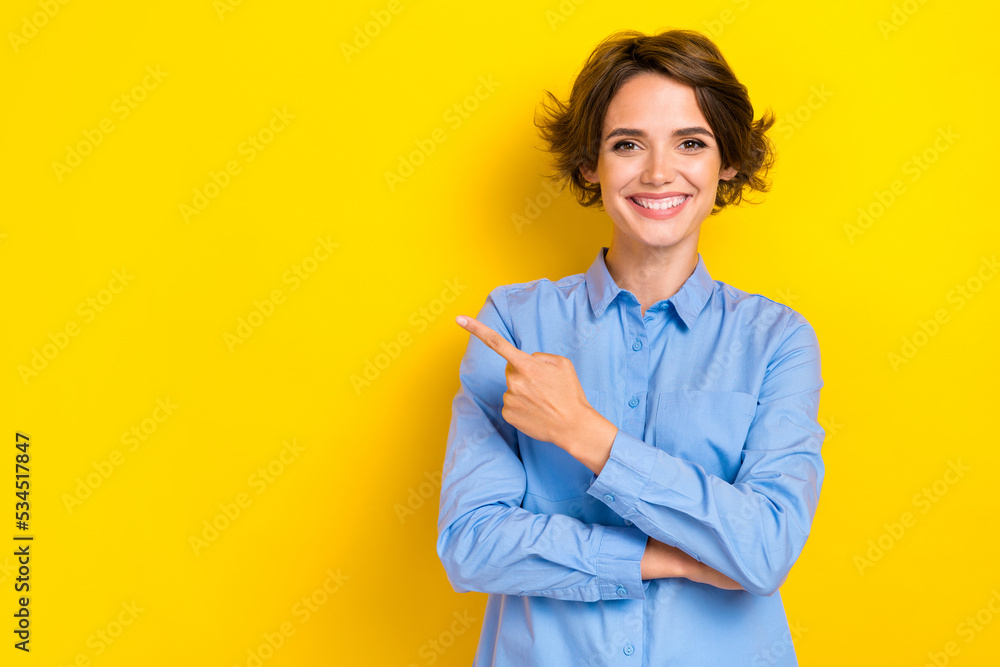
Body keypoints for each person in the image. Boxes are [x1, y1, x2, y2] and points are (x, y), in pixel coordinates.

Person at [436, 28, 824, 666]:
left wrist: (584, 433)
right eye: (627, 144)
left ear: (726, 160)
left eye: (690, 143)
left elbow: (765, 549)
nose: (658, 172)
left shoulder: (777, 341)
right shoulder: (514, 324)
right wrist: (662, 558)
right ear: (590, 163)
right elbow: (472, 543)